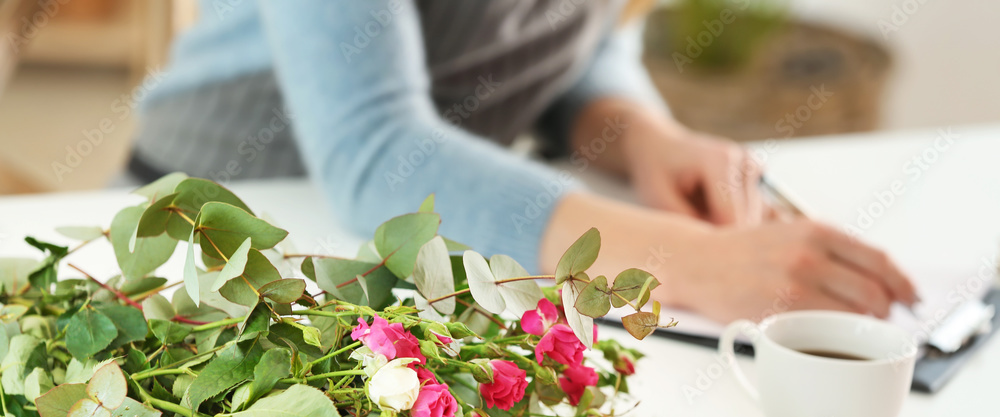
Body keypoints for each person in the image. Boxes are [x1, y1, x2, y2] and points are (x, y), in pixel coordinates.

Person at [129, 0, 916, 322]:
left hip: (390, 259)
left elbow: (571, 38)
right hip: (187, 237)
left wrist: (643, 135)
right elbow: (373, 148)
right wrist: (696, 265)